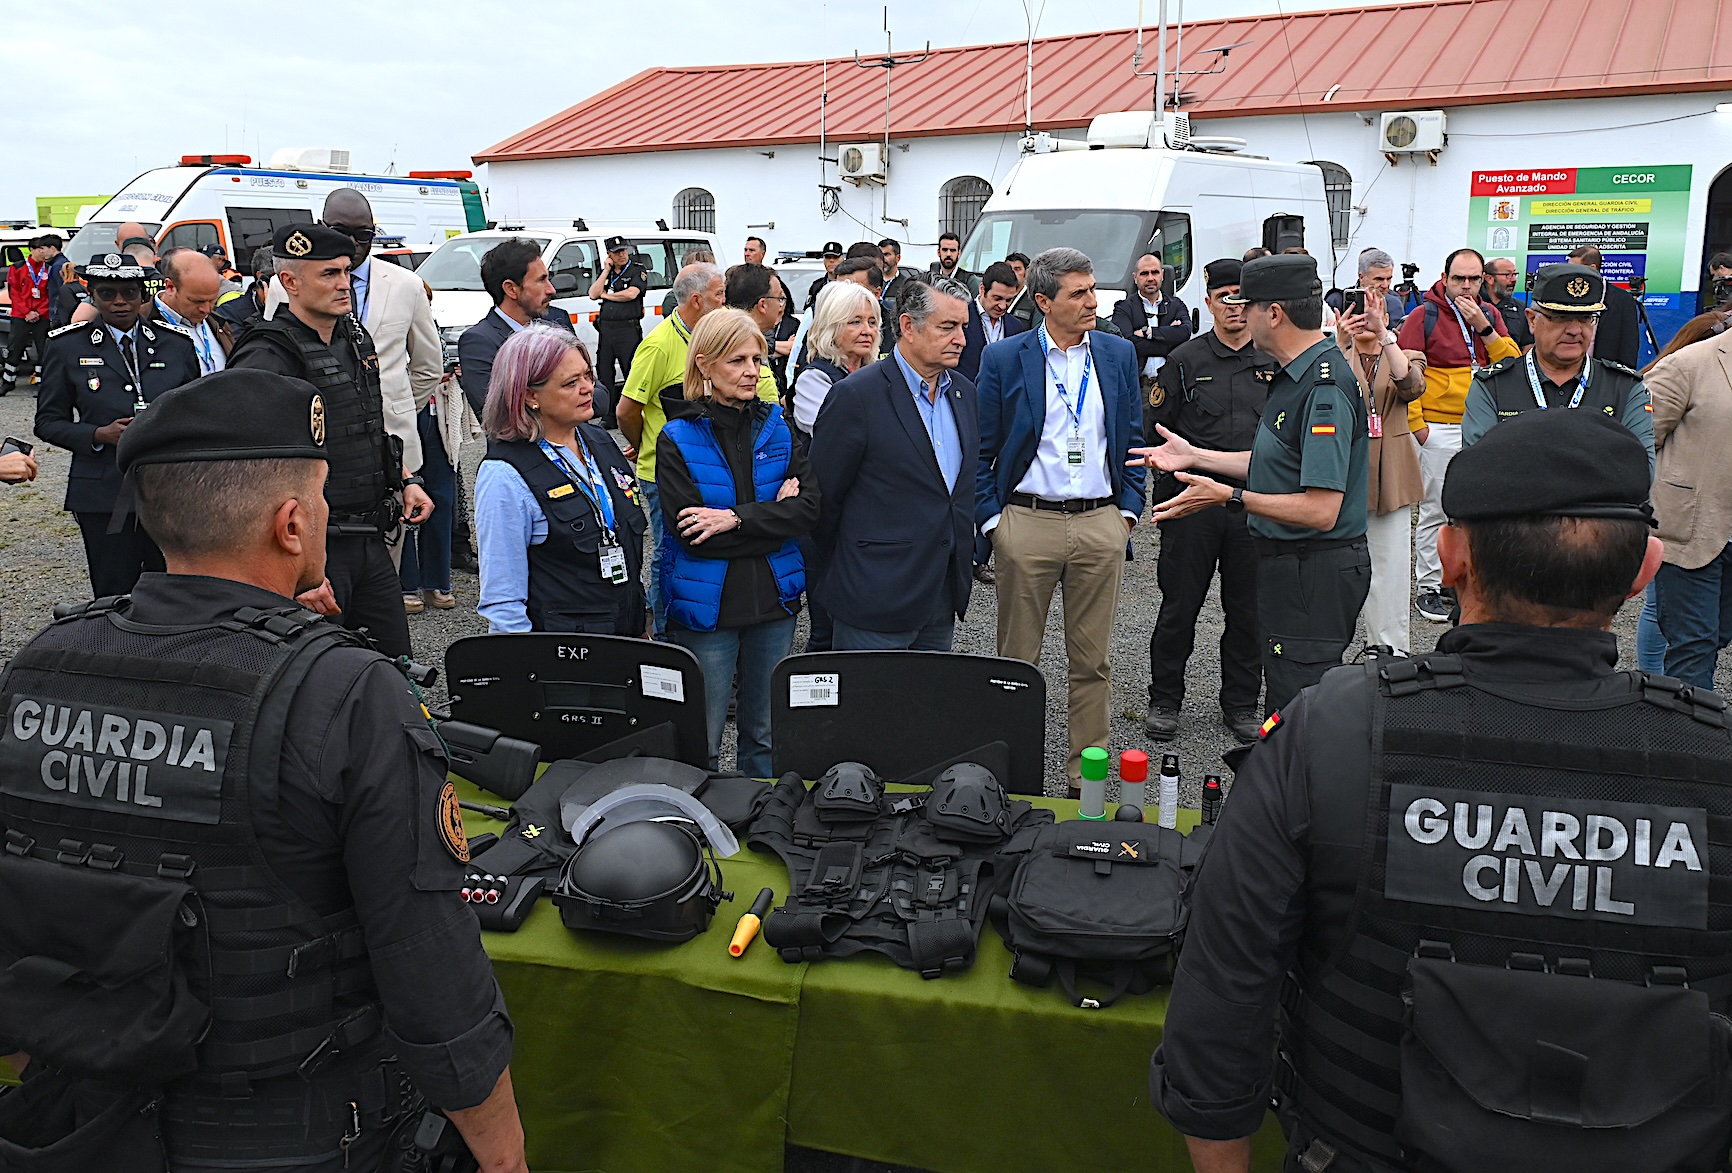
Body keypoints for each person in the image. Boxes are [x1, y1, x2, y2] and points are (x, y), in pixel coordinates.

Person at [1150, 410, 1709, 1173]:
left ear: (1449, 558)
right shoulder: (1714, 760)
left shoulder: (1334, 730)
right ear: (1646, 567)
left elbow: (1222, 995)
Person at [0, 368, 526, 1171]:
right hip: (292, 1128)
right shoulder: (348, 693)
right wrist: (503, 1151)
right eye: (316, 500)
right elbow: (431, 969)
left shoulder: (41, 663)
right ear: (291, 523)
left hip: (82, 1117)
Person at [1135, 254, 1370, 716]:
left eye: (1250, 304)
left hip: (1310, 567)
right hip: (1286, 557)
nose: (1241, 312)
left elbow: (1322, 509)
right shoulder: (1298, 373)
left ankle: (1276, 771)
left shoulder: (1319, 385)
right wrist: (1196, 456)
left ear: (1274, 314)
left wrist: (1227, 495)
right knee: (1189, 613)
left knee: (1298, 704)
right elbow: (1276, 461)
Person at [976, 247, 1146, 787]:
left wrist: (1127, 513)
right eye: (1078, 293)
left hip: (1100, 523)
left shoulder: (1116, 355)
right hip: (1026, 523)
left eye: (1093, 289)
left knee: (1093, 663)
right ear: (1044, 301)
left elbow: (1132, 439)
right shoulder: (1007, 358)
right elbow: (983, 449)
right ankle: (1011, 771)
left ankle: (1084, 778)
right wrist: (992, 523)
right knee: (1016, 664)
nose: (1093, 301)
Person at [228, 224, 432, 660]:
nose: (344, 283)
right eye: (328, 274)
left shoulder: (353, 338)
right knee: (319, 676)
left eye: (345, 271)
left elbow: (363, 425)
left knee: (394, 668)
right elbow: (254, 473)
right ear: (290, 282)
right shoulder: (267, 355)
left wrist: (405, 478)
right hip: (315, 548)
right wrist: (299, 569)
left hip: (370, 537)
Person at [656, 308, 818, 775]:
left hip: (774, 602)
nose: (751, 371)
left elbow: (809, 510)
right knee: (702, 739)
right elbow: (695, 538)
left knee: (765, 736)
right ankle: (701, 831)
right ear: (704, 364)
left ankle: (759, 824)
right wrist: (775, 517)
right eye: (737, 360)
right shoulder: (677, 437)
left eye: (758, 360)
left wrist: (733, 519)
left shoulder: (778, 427)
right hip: (708, 609)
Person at [1141, 259, 1275, 744]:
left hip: (1251, 502)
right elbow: (1156, 430)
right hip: (1195, 504)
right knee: (1180, 606)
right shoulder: (1185, 360)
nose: (1235, 309)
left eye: (1244, 299)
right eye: (1225, 299)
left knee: (1248, 611)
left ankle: (1240, 704)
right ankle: (1165, 700)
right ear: (1209, 301)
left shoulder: (1272, 360)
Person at [809, 278, 975, 651]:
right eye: (947, 327)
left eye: (964, 327)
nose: (961, 339)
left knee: (925, 707)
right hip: (873, 597)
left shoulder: (964, 393)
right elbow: (823, 499)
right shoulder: (856, 396)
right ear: (906, 327)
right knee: (867, 708)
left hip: (940, 593)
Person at [34, 253, 200, 596]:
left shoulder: (176, 343)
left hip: (168, 488)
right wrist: (97, 434)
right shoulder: (67, 346)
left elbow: (196, 412)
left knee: (172, 587)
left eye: (129, 292)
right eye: (107, 293)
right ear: (91, 295)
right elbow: (47, 422)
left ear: (144, 294)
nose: (120, 301)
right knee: (112, 589)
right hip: (101, 490)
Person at [475, 325, 647, 634]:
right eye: (570, 383)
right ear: (529, 395)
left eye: (587, 376)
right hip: (565, 657)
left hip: (625, 638)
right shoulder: (505, 474)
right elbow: (503, 600)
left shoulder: (599, 441)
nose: (587, 389)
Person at [1402, 247, 1521, 623]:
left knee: (1477, 508)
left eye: (1474, 279)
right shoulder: (1424, 315)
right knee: (1437, 508)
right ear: (1445, 277)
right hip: (1439, 428)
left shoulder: (1490, 314)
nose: (1467, 287)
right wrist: (1418, 426)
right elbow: (1405, 374)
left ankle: (1464, 580)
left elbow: (1512, 363)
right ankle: (1429, 586)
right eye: (1459, 279)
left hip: (1482, 426)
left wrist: (1485, 329)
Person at [618, 262, 729, 635]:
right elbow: (626, 410)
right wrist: (644, 445)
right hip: (662, 474)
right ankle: (664, 634)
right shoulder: (658, 345)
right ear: (696, 300)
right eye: (719, 295)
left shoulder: (712, 337)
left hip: (706, 469)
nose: (726, 303)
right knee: (669, 552)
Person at [1461, 263, 1653, 467]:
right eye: (1561, 317)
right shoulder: (1493, 386)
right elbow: (1479, 470)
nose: (1574, 330)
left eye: (1586, 318)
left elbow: (1640, 471)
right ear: (1532, 320)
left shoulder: (1625, 388)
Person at [1645, 303, 1732, 689]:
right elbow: (1639, 446)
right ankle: (1691, 744)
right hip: (1691, 531)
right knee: (1692, 647)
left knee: (1715, 639)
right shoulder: (1688, 364)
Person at [1338, 274, 1424, 654]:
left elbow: (1412, 386)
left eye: (1375, 311)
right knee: (1336, 566)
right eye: (1358, 310)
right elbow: (1322, 387)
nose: (1366, 318)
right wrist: (1341, 341)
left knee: (1390, 569)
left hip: (1392, 471)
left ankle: (1390, 651)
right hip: (1346, 469)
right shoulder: (1335, 354)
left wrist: (1386, 337)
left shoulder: (1405, 354)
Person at [456, 238, 579, 419]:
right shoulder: (480, 342)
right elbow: (498, 415)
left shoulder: (557, 320)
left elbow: (598, 395)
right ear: (511, 289)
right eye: (541, 280)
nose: (551, 289)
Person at [790, 282, 881, 438]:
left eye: (872, 322)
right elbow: (841, 437)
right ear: (831, 327)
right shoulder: (813, 380)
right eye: (856, 322)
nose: (867, 331)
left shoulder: (879, 374)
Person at [1112, 252, 1193, 397]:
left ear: (1162, 275)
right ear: (1135, 278)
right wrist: (1169, 341)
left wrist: (1149, 333)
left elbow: (1185, 332)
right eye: (1144, 273)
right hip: (1139, 389)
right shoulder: (1123, 308)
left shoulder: (1176, 305)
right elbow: (1128, 344)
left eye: (1155, 272)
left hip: (1173, 387)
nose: (1150, 278)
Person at [589, 235, 648, 427]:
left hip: (627, 329)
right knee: (605, 373)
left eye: (623, 250)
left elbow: (632, 293)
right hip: (606, 330)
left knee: (631, 372)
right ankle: (609, 416)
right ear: (609, 255)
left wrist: (606, 295)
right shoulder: (607, 273)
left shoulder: (637, 270)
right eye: (616, 252)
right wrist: (606, 270)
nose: (621, 255)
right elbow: (592, 293)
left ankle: (633, 412)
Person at [154, 247, 230, 374]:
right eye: (197, 301)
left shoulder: (219, 322)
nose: (206, 310)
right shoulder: (140, 324)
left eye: (212, 300)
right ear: (170, 287)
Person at [1564, 243, 1641, 368]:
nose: (1570, 273)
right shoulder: (1564, 295)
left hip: (1605, 375)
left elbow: (1629, 346)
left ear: (1592, 268)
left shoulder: (1622, 300)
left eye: (1574, 269)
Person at [723, 261, 791, 400]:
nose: (780, 306)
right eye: (780, 298)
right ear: (763, 305)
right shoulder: (760, 378)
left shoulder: (711, 333)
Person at [1, 235, 57, 395]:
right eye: (39, 249)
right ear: (31, 250)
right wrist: (27, 312)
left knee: (43, 349)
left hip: (42, 315)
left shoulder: (49, 268)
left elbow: (50, 294)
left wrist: (39, 312)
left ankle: (42, 383)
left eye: (43, 248)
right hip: (21, 315)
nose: (42, 252)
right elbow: (15, 293)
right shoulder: (18, 268)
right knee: (14, 348)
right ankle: (8, 381)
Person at [957, 261, 1028, 384]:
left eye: (1009, 300)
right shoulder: (961, 317)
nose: (1002, 306)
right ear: (982, 289)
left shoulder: (1015, 326)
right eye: (997, 298)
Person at [213, 246, 274, 337]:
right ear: (262, 278)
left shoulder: (296, 306)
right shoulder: (229, 312)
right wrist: (270, 315)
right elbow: (244, 349)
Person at [1482, 255, 1533, 349]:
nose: (1514, 279)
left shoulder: (1520, 307)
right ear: (1489, 278)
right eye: (1508, 275)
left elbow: (1528, 344)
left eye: (1514, 274)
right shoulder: (1475, 304)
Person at [928, 231, 980, 296]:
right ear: (938, 252)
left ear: (959, 254)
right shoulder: (930, 279)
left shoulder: (969, 281)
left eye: (952, 250)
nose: (948, 254)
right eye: (945, 250)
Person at [806, 241, 843, 310]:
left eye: (835, 257)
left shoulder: (849, 285)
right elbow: (809, 310)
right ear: (824, 260)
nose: (831, 260)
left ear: (842, 259)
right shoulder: (817, 286)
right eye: (828, 257)